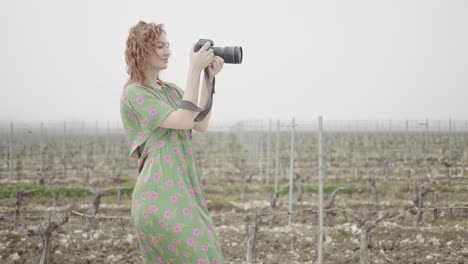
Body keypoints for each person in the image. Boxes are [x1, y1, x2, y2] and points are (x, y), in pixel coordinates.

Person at [119, 20, 225, 264]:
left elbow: (199, 123)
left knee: (209, 255)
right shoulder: (135, 93)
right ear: (141, 50)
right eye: (159, 46)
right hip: (158, 197)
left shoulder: (172, 91)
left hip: (184, 189)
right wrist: (194, 70)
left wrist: (208, 78)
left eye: (167, 45)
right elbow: (183, 118)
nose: (167, 51)